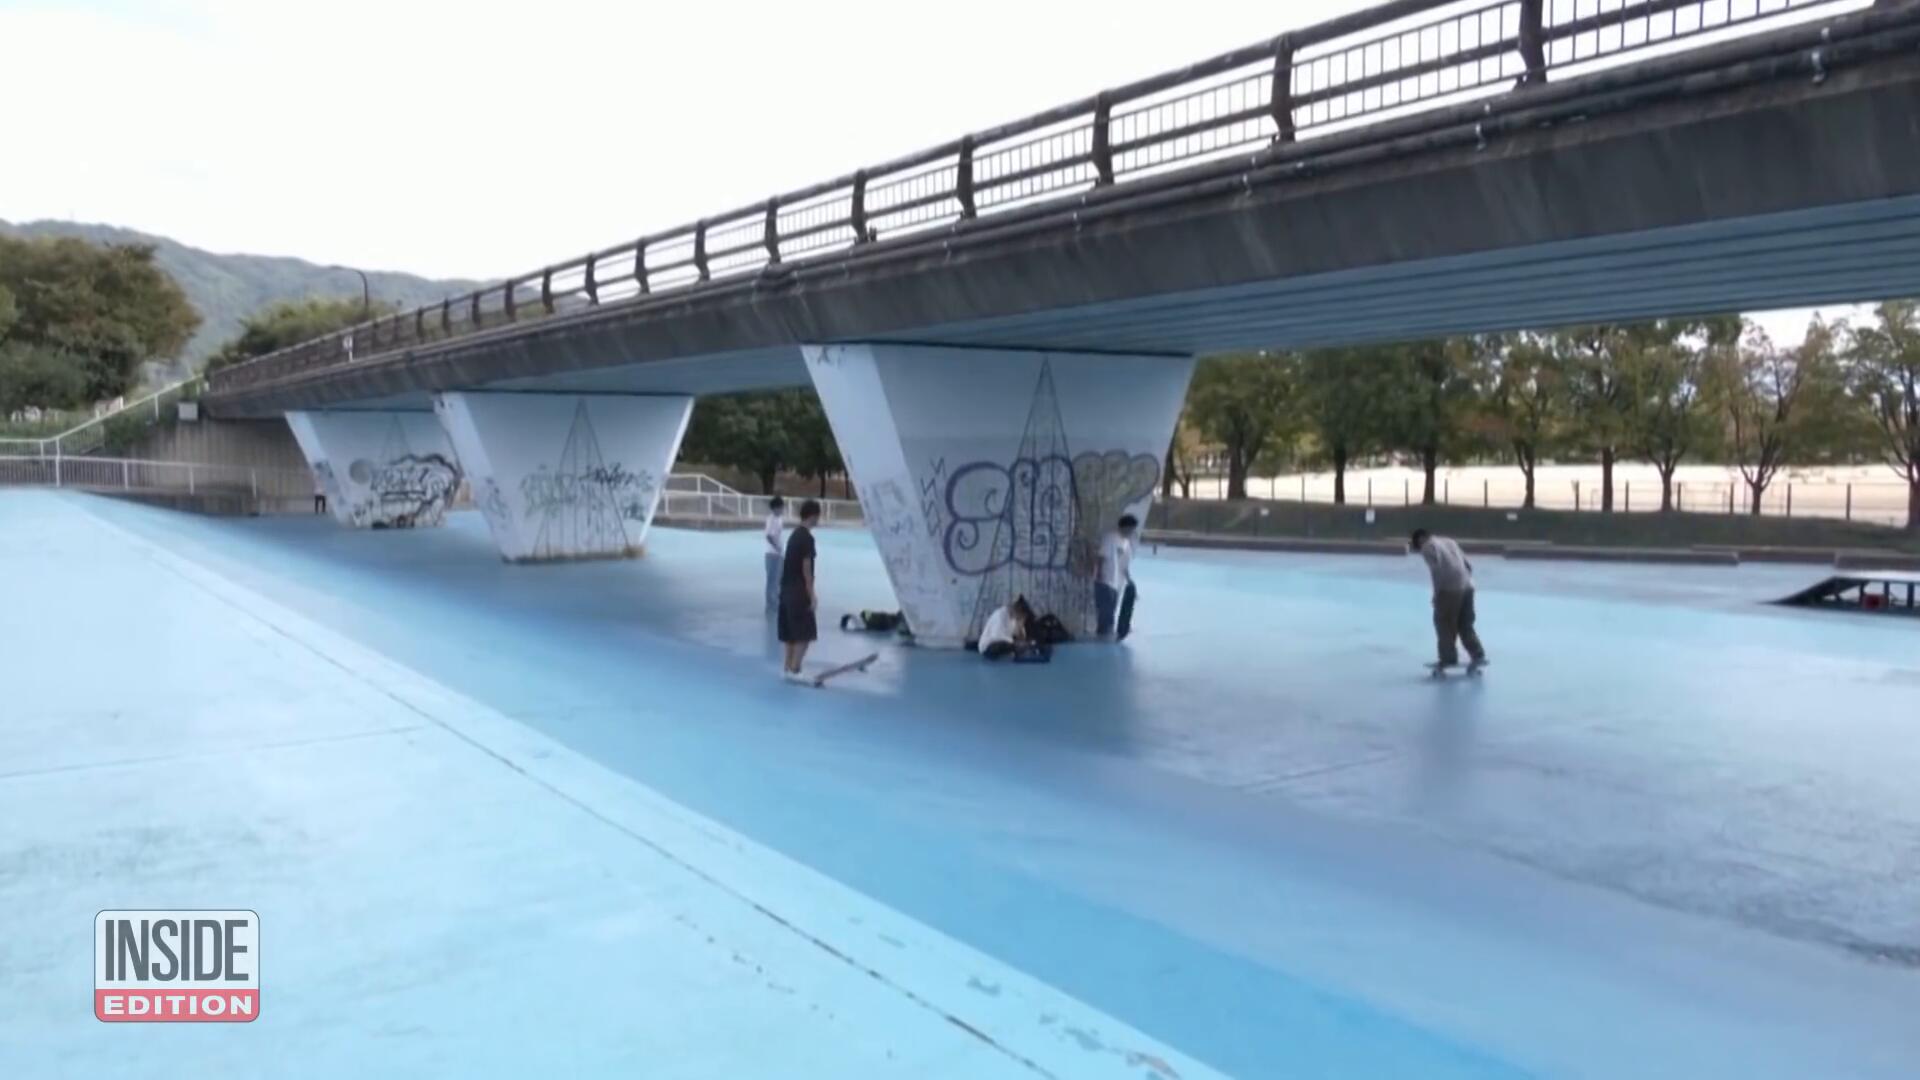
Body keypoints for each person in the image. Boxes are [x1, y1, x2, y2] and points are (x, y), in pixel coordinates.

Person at [1410, 528, 1488, 670]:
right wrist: (1464, 581)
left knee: (1444, 623)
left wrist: (1437, 594)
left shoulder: (1428, 547)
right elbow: (1468, 565)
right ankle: (1478, 655)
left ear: (1420, 539)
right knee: (1465, 624)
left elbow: (1437, 571)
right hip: (1468, 586)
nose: (1420, 549)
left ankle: (1448, 658)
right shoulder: (1449, 541)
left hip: (1450, 588)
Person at [777, 499, 822, 682]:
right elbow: (806, 570)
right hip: (798, 592)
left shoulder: (794, 535)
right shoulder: (807, 539)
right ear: (813, 516)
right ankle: (795, 670)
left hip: (786, 589)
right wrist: (812, 595)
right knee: (805, 633)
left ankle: (787, 667)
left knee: (790, 633)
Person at [1095, 514, 1140, 641]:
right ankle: (1103, 635)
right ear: (1124, 527)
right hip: (1105, 580)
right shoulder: (1110, 538)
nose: (1132, 532)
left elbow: (1124, 565)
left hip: (1116, 583)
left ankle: (1106, 633)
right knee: (1105, 611)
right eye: (1131, 529)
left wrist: (1129, 581)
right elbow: (1101, 557)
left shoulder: (1126, 544)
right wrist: (1099, 575)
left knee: (1111, 610)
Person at [979, 596, 1049, 662]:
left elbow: (1015, 633)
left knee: (1022, 644)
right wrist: (1014, 642)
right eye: (1021, 617)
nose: (1020, 619)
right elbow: (996, 636)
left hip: (1004, 642)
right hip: (988, 646)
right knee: (1006, 646)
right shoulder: (999, 615)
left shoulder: (1013, 618)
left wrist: (1021, 632)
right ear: (1017, 611)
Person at [762, 496, 786, 614]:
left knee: (778, 579)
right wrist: (777, 547)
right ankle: (771, 604)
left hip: (778, 554)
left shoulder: (780, 519)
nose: (782, 509)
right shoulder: (770, 520)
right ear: (775, 508)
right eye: (781, 507)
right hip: (771, 554)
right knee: (772, 580)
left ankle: (776, 601)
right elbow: (768, 536)